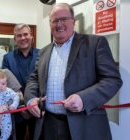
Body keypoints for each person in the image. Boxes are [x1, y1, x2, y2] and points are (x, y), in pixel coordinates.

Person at [24, 3, 122, 140]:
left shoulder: (95, 44)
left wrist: (83, 98)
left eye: (64, 19)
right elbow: (34, 79)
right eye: (55, 21)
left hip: (85, 125)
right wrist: (30, 100)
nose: (59, 24)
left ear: (73, 21)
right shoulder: (44, 51)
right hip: (48, 125)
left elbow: (112, 79)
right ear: (50, 24)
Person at [2, 23, 39, 140]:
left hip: (37, 109)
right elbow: (4, 85)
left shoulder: (42, 54)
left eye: (25, 34)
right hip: (16, 111)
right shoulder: (8, 58)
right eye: (19, 36)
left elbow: (45, 81)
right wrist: (20, 107)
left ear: (31, 36)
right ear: (15, 39)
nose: (23, 38)